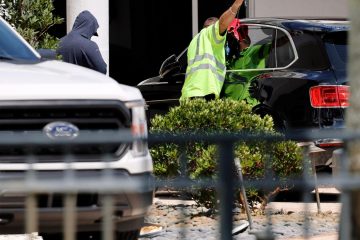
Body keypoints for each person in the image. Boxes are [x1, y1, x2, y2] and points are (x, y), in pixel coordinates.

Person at [180, 0, 245, 101]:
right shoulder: (210, 34)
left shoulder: (194, 41)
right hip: (205, 92)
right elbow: (222, 23)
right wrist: (235, 6)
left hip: (188, 94)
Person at [221, 19, 271, 105]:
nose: (227, 43)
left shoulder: (251, 53)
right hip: (228, 109)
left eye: (230, 40)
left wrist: (287, 37)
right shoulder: (229, 59)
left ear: (239, 41)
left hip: (247, 107)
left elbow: (272, 46)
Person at [57, 10, 107, 74]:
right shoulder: (90, 46)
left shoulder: (58, 42)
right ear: (89, 28)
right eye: (92, 32)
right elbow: (102, 70)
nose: (91, 36)